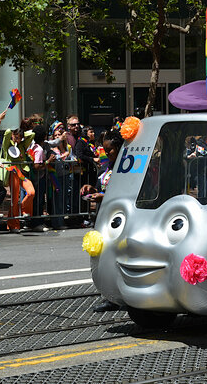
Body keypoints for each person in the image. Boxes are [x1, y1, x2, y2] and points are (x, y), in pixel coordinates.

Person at [80, 130, 124, 312]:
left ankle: (121, 297)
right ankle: (110, 296)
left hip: (119, 220)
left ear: (119, 148)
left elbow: (124, 192)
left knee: (118, 257)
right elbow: (101, 186)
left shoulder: (126, 165)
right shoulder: (108, 165)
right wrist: (91, 188)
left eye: (111, 150)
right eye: (105, 150)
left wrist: (103, 197)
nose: (107, 153)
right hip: (104, 217)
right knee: (103, 257)